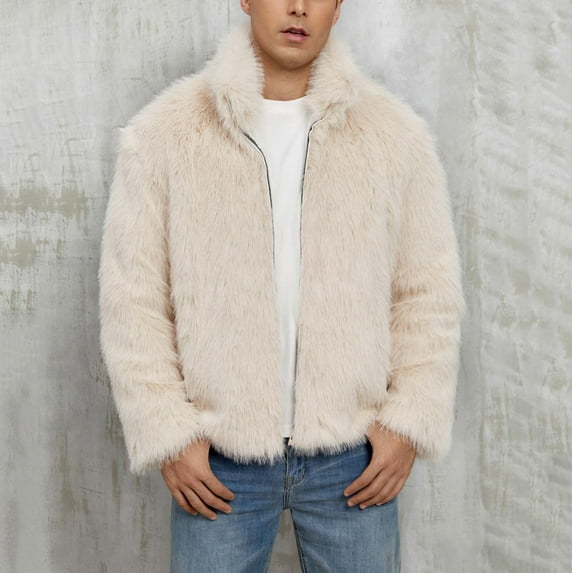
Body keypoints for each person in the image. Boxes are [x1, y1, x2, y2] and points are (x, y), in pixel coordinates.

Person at [97, 1, 466, 571]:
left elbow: (427, 292)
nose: (298, 7)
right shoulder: (163, 136)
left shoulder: (395, 138)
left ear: (338, 8)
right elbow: (133, 299)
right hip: (218, 458)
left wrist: (407, 423)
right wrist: (168, 432)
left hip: (353, 457)